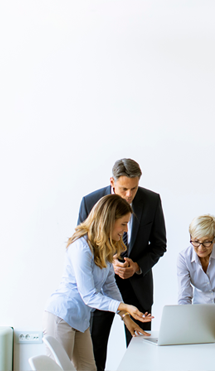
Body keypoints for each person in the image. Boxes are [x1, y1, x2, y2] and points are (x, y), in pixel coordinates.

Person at [44, 195, 152, 371]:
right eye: (123, 224)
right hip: (61, 316)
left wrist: (126, 318)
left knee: (89, 368)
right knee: (59, 369)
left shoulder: (104, 247)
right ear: (109, 221)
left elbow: (110, 286)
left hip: (81, 320)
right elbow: (89, 296)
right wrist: (124, 307)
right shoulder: (81, 248)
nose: (125, 230)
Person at [78, 158, 166, 371]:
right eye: (124, 189)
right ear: (112, 181)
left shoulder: (151, 200)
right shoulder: (90, 202)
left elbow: (159, 245)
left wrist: (136, 266)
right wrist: (110, 264)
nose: (129, 195)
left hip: (138, 288)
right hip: (101, 289)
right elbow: (82, 245)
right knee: (95, 350)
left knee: (142, 350)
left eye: (133, 189)